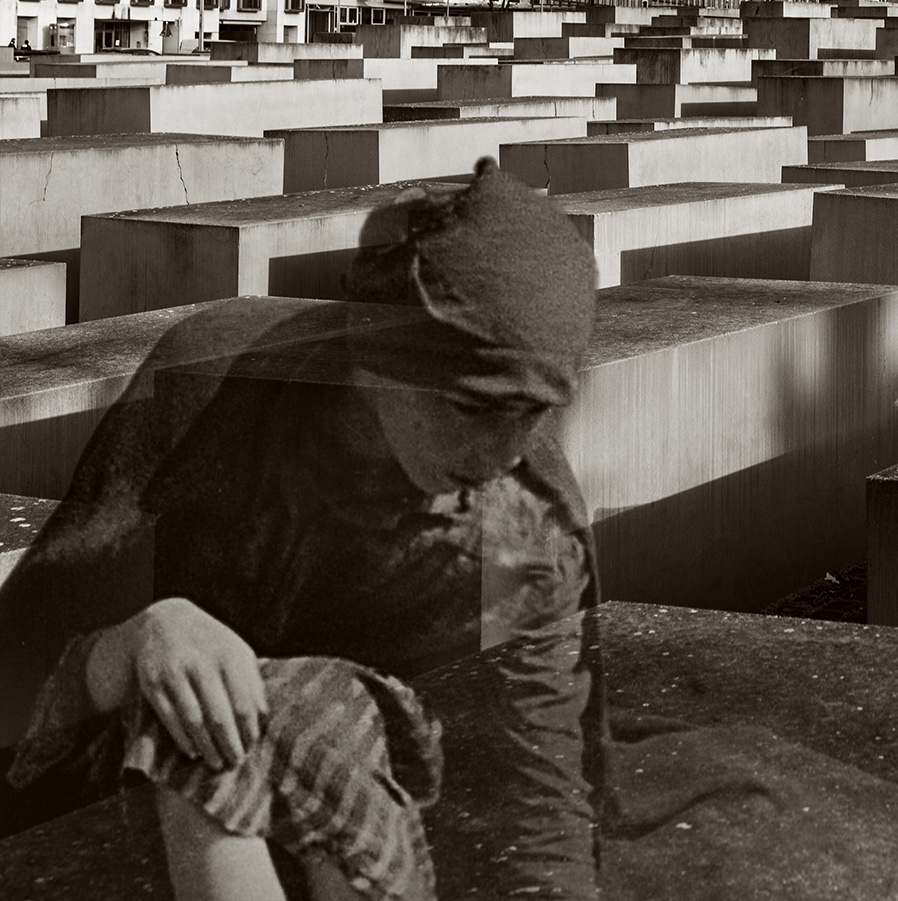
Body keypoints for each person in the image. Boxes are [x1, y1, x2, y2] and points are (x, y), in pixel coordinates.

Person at [0, 159, 602, 900]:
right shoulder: (216, 396)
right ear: (378, 363)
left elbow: (540, 787)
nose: (502, 453)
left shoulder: (525, 516)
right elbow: (19, 679)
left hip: (394, 834)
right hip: (155, 813)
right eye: (473, 408)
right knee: (212, 708)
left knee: (304, 708)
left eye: (533, 413)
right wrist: (136, 641)